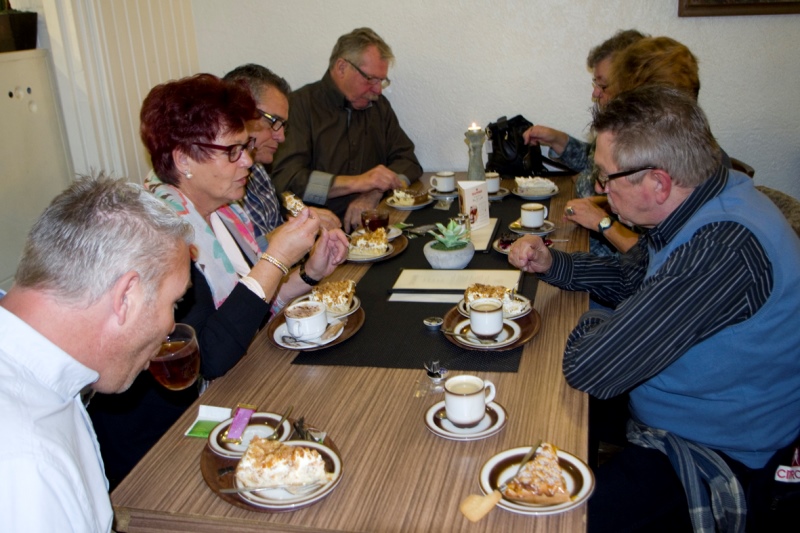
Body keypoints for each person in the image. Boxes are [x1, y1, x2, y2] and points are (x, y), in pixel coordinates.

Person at [509, 85, 800, 531]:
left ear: (658, 183)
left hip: (722, 453)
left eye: (606, 177)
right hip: (682, 400)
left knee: (553, 521)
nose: (600, 188)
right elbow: (635, 276)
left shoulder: (722, 248)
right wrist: (556, 264)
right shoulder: (702, 198)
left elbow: (592, 368)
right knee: (529, 404)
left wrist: (600, 320)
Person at [88, 74, 349, 487]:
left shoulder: (225, 212)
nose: (247, 161)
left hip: (233, 388)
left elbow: (251, 304)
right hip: (162, 444)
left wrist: (309, 273)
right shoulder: (159, 235)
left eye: (245, 147)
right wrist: (276, 258)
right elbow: (209, 354)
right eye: (232, 151)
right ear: (183, 160)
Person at [0, 175, 193, 532]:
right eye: (175, 303)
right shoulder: (27, 463)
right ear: (126, 297)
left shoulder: (48, 372)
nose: (171, 327)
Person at [271, 27, 423, 232]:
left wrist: (374, 191)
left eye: (381, 81)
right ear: (342, 67)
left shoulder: (379, 107)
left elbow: (408, 161)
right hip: (317, 235)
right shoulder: (298, 107)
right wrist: (357, 183)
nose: (378, 90)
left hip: (373, 231)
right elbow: (286, 182)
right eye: (370, 79)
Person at [223, 64, 341, 243]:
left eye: (283, 125)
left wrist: (302, 224)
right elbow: (245, 255)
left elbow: (270, 234)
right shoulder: (218, 180)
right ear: (240, 112)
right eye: (274, 121)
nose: (281, 137)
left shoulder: (258, 170)